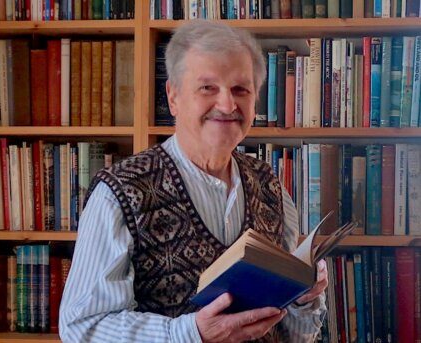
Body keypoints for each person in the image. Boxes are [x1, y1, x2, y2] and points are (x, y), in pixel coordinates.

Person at [59, 19, 328, 343]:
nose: (227, 105)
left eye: (240, 89)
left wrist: (302, 301)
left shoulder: (271, 186)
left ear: (255, 100)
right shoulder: (120, 194)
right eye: (208, 88)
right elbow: (82, 329)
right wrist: (190, 333)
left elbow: (295, 336)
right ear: (173, 96)